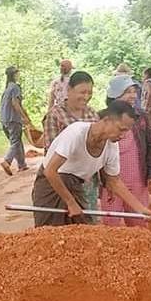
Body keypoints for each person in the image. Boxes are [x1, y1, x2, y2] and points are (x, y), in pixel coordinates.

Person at [30, 100, 151, 227]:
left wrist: (139, 208)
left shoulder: (111, 147)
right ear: (107, 120)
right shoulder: (76, 132)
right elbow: (50, 171)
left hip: (75, 186)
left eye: (126, 132)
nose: (123, 136)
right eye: (121, 129)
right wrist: (71, 202)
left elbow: (114, 182)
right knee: (49, 232)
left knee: (83, 230)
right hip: (50, 185)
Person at [98, 75, 151, 227]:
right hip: (111, 182)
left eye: (134, 91)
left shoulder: (141, 116)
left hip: (137, 179)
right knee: (111, 224)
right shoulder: (101, 117)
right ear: (115, 95)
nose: (133, 95)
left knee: (139, 223)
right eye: (127, 92)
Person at [43, 70, 100, 209]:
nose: (86, 97)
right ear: (69, 90)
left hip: (87, 181)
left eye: (89, 93)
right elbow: (50, 151)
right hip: (62, 179)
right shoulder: (55, 115)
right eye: (82, 92)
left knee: (88, 222)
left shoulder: (92, 114)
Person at [0, 66, 33, 176]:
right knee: (15, 142)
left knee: (17, 141)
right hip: (13, 118)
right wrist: (23, 117)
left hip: (4, 119)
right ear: (14, 75)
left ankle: (22, 165)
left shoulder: (7, 88)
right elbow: (15, 103)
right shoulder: (15, 87)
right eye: (17, 73)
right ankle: (7, 161)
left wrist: (25, 116)